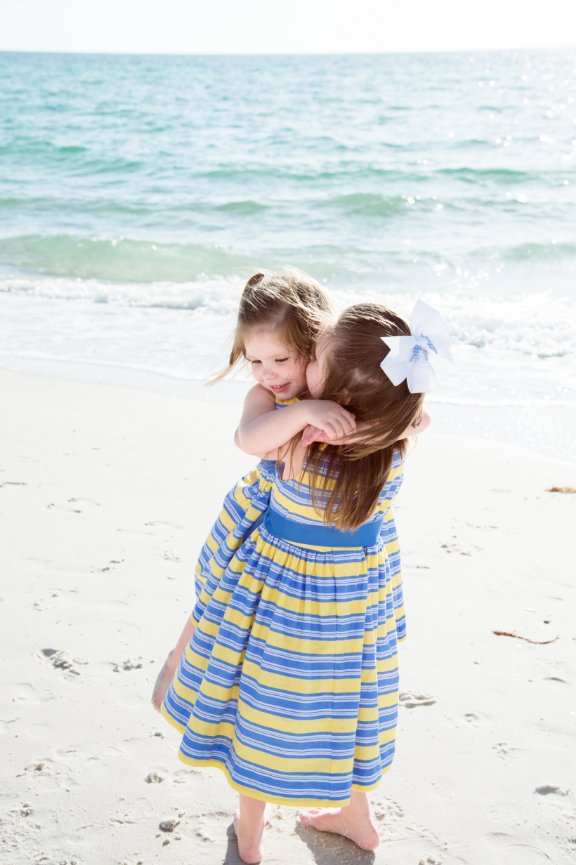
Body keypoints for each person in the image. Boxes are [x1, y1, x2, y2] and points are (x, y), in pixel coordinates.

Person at [153, 299, 443, 863]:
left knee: (260, 706)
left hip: (282, 598)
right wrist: (338, 410)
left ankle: (253, 835)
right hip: (351, 604)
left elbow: (251, 442)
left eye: (316, 361)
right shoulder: (390, 438)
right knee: (346, 704)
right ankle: (355, 815)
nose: (304, 368)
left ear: (338, 393)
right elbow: (417, 417)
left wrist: (309, 414)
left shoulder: (306, 438)